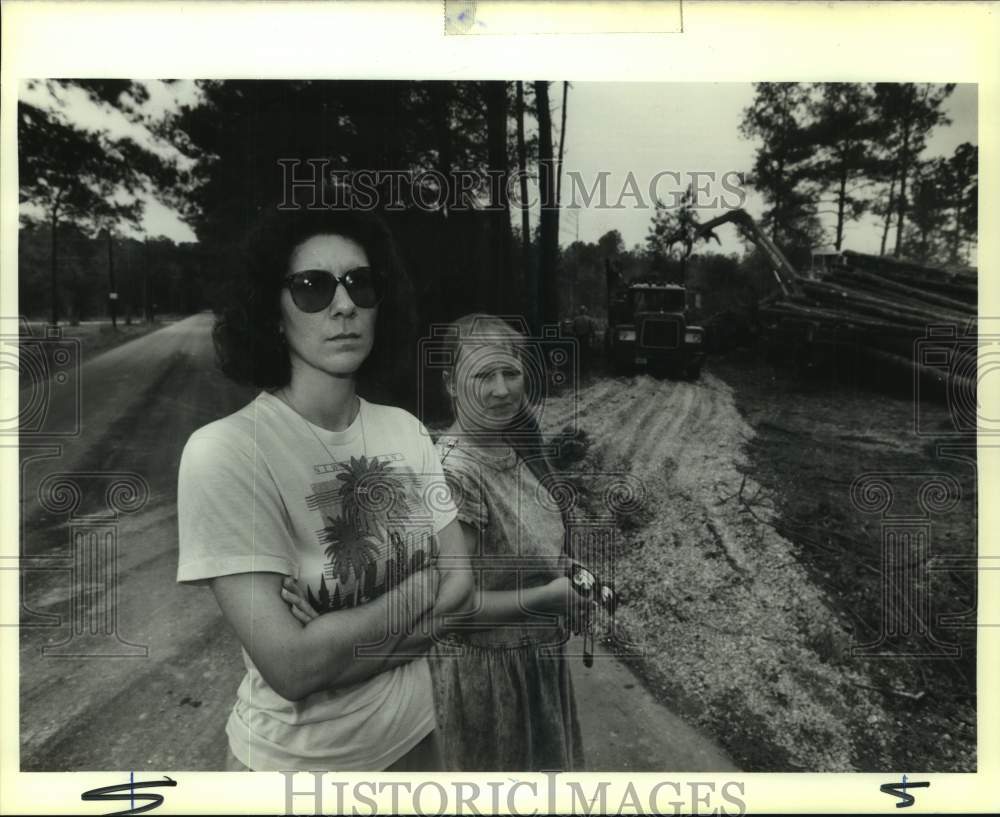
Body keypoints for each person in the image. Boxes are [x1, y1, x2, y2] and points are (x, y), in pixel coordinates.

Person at [176, 205, 471, 772]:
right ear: (272, 312)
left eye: (361, 284)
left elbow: (461, 597)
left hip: (416, 745)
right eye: (312, 287)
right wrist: (421, 588)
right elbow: (293, 670)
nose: (344, 305)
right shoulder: (228, 451)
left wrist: (336, 638)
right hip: (293, 773)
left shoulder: (406, 430)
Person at [427, 313, 589, 771]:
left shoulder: (515, 447)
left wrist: (570, 585)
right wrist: (549, 598)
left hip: (534, 668)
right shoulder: (454, 475)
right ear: (450, 384)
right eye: (482, 374)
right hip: (489, 683)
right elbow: (453, 611)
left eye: (510, 372)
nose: (501, 389)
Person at [571, 305, 597, 380]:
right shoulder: (589, 319)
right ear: (585, 311)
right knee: (586, 353)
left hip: (578, 338)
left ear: (580, 311)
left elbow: (573, 329)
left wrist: (575, 334)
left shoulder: (576, 319)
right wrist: (594, 337)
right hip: (586, 338)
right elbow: (592, 329)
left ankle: (580, 368)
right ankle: (586, 369)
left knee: (579, 353)